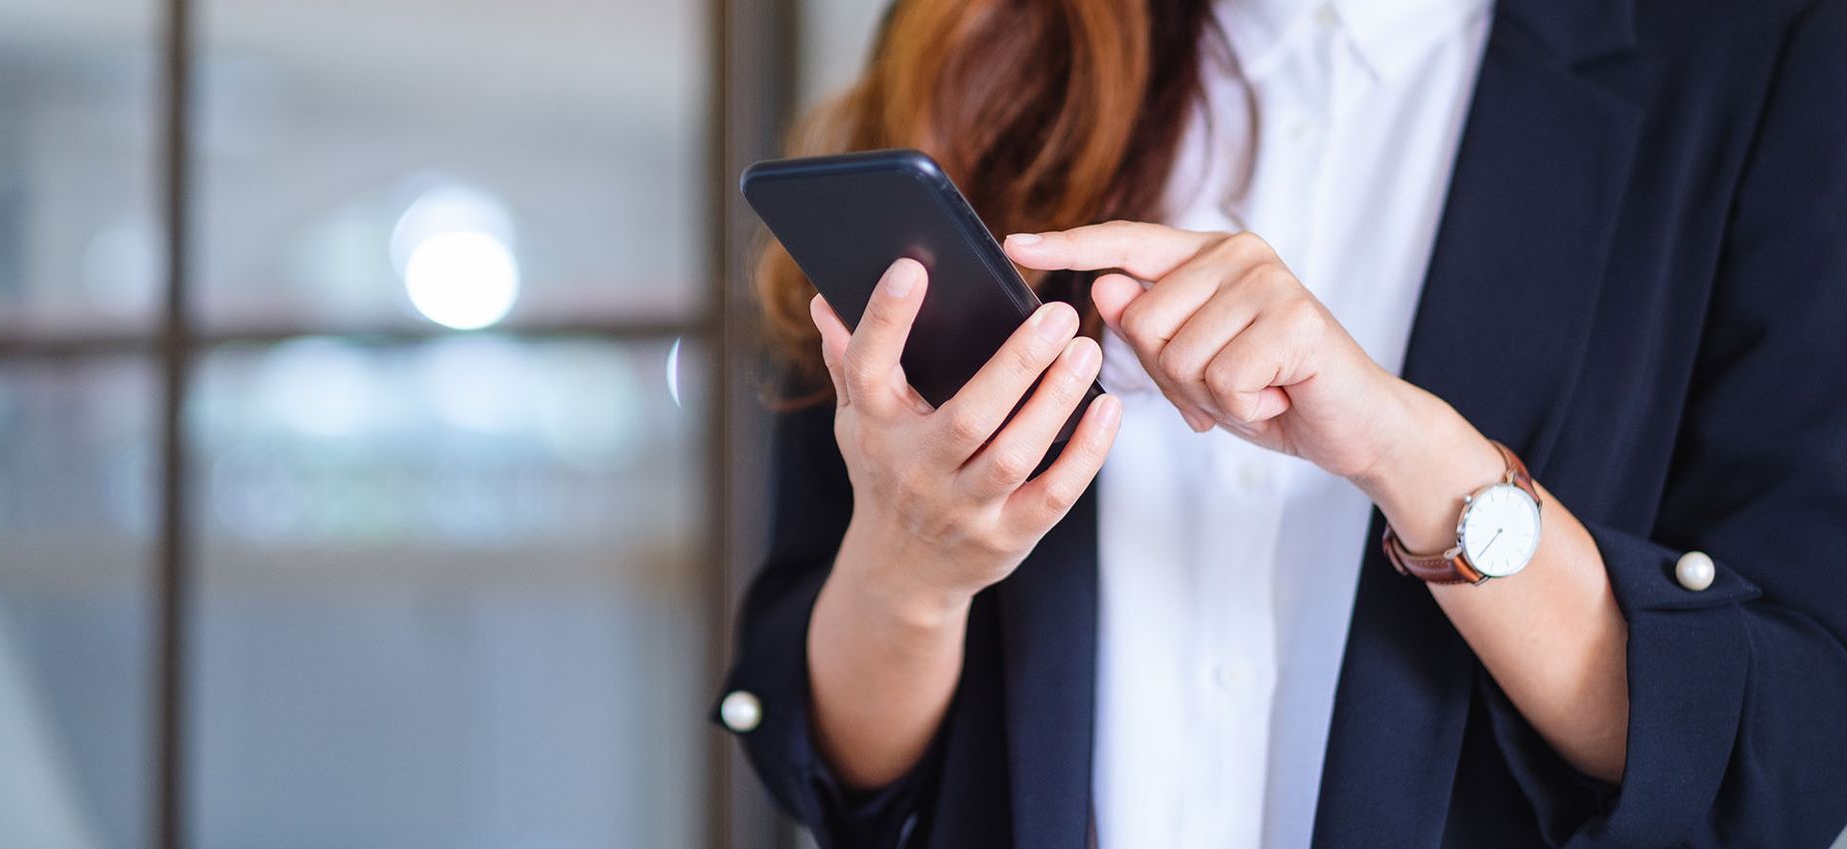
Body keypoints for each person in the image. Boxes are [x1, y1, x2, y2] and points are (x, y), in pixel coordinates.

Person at [716, 0, 1847, 845]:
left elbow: (1785, 744)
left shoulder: (1759, 60)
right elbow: (835, 770)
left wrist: (1414, 459)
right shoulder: (985, 43)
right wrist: (912, 575)